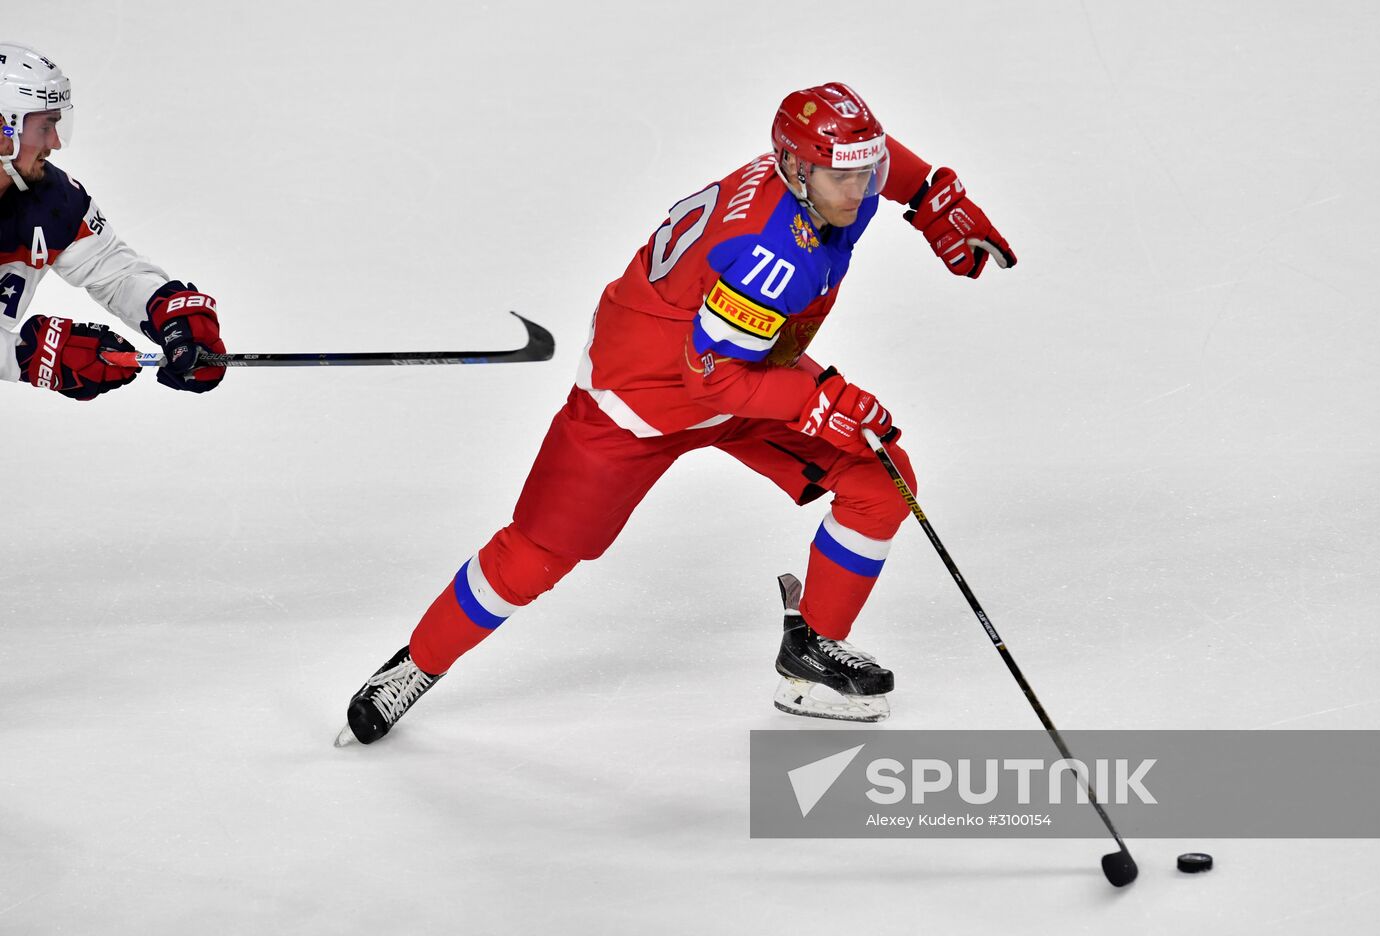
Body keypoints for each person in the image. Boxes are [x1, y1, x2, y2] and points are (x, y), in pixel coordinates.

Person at [337, 81, 1016, 745]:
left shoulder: (827, 177)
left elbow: (878, 158)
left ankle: (811, 654)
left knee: (878, 476)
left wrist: (930, 197)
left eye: (865, 171)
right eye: (846, 176)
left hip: (741, 365)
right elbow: (713, 382)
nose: (862, 188)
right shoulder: (769, 254)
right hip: (641, 398)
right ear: (792, 169)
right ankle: (416, 664)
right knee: (537, 555)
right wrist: (818, 405)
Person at [1, 42, 225, 400]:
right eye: (44, 127)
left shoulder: (54, 200)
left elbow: (111, 272)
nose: (56, 143)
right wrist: (20, 356)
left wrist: (163, 308)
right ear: (3, 126)